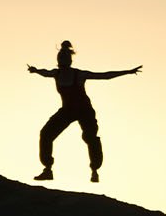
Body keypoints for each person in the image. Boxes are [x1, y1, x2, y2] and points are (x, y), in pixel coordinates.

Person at [27, 41, 141, 183]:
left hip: (85, 111)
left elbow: (105, 76)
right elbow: (44, 72)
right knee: (46, 134)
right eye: (60, 58)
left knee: (90, 137)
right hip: (67, 110)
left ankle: (94, 171)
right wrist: (35, 70)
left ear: (69, 60)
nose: (61, 60)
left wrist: (127, 72)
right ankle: (48, 169)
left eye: (64, 58)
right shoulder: (56, 73)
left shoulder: (79, 74)